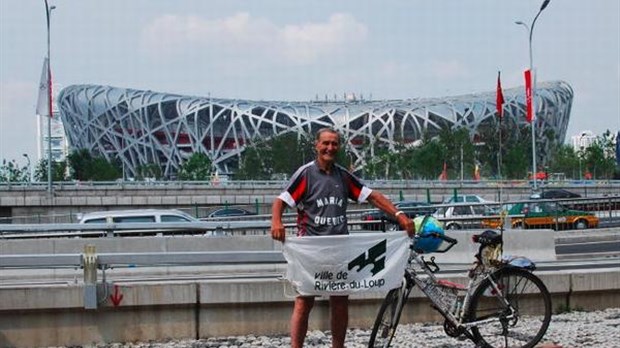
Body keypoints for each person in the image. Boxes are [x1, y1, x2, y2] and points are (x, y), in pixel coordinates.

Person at [271, 127, 415, 348]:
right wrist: (276, 221)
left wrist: (398, 215)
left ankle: (338, 345)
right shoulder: (306, 174)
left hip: (338, 249)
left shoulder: (343, 176)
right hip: (311, 249)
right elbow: (281, 200)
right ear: (316, 145)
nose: (330, 148)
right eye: (326, 143)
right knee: (304, 300)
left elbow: (372, 196)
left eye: (334, 143)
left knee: (339, 299)